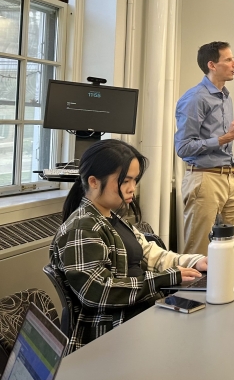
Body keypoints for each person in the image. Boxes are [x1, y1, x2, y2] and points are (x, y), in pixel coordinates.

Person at [50, 140, 206, 353]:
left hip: (138, 318)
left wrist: (194, 262)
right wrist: (165, 278)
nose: (132, 188)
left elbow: (148, 253)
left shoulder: (111, 217)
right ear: (94, 182)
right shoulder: (81, 228)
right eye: (125, 181)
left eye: (134, 180)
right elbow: (98, 292)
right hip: (111, 335)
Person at [175, 41, 234, 256]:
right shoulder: (195, 98)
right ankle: (191, 290)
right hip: (204, 178)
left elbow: (219, 138)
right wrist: (226, 137)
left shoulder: (225, 96)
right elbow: (184, 147)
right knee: (198, 251)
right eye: (228, 59)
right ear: (212, 65)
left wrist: (231, 132)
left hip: (230, 177)